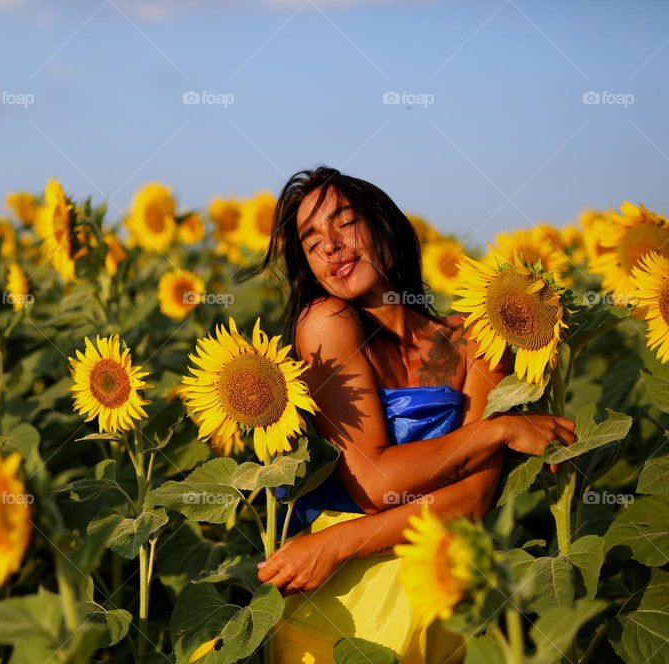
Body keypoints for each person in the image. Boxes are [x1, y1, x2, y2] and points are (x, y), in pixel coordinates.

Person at [247, 166, 577, 663]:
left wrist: (345, 539)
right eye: (312, 240)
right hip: (341, 603)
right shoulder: (327, 324)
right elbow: (376, 482)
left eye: (345, 221)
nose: (331, 246)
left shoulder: (474, 339)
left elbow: (474, 500)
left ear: (385, 224)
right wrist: (501, 429)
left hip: (436, 583)